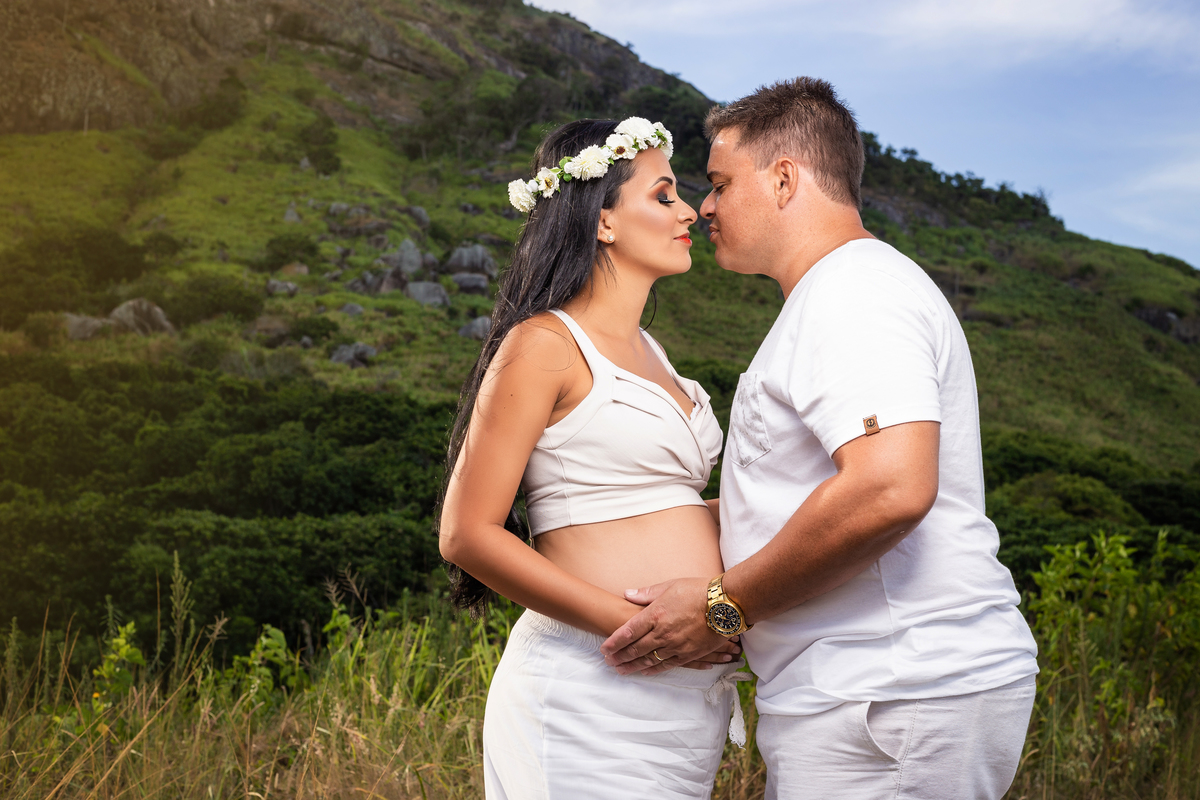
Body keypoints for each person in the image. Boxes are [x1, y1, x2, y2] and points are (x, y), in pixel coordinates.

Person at [601, 78, 1040, 799]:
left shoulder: (852, 291)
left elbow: (890, 487)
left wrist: (723, 605)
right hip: (871, 696)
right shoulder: (836, 295)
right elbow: (799, 498)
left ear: (783, 179)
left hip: (891, 690)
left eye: (718, 183)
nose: (704, 206)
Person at [438, 117, 748, 799]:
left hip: (682, 711)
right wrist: (642, 627)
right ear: (603, 220)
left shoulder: (653, 352)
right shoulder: (544, 345)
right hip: (588, 697)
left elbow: (652, 511)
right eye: (663, 195)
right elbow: (467, 531)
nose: (689, 211)